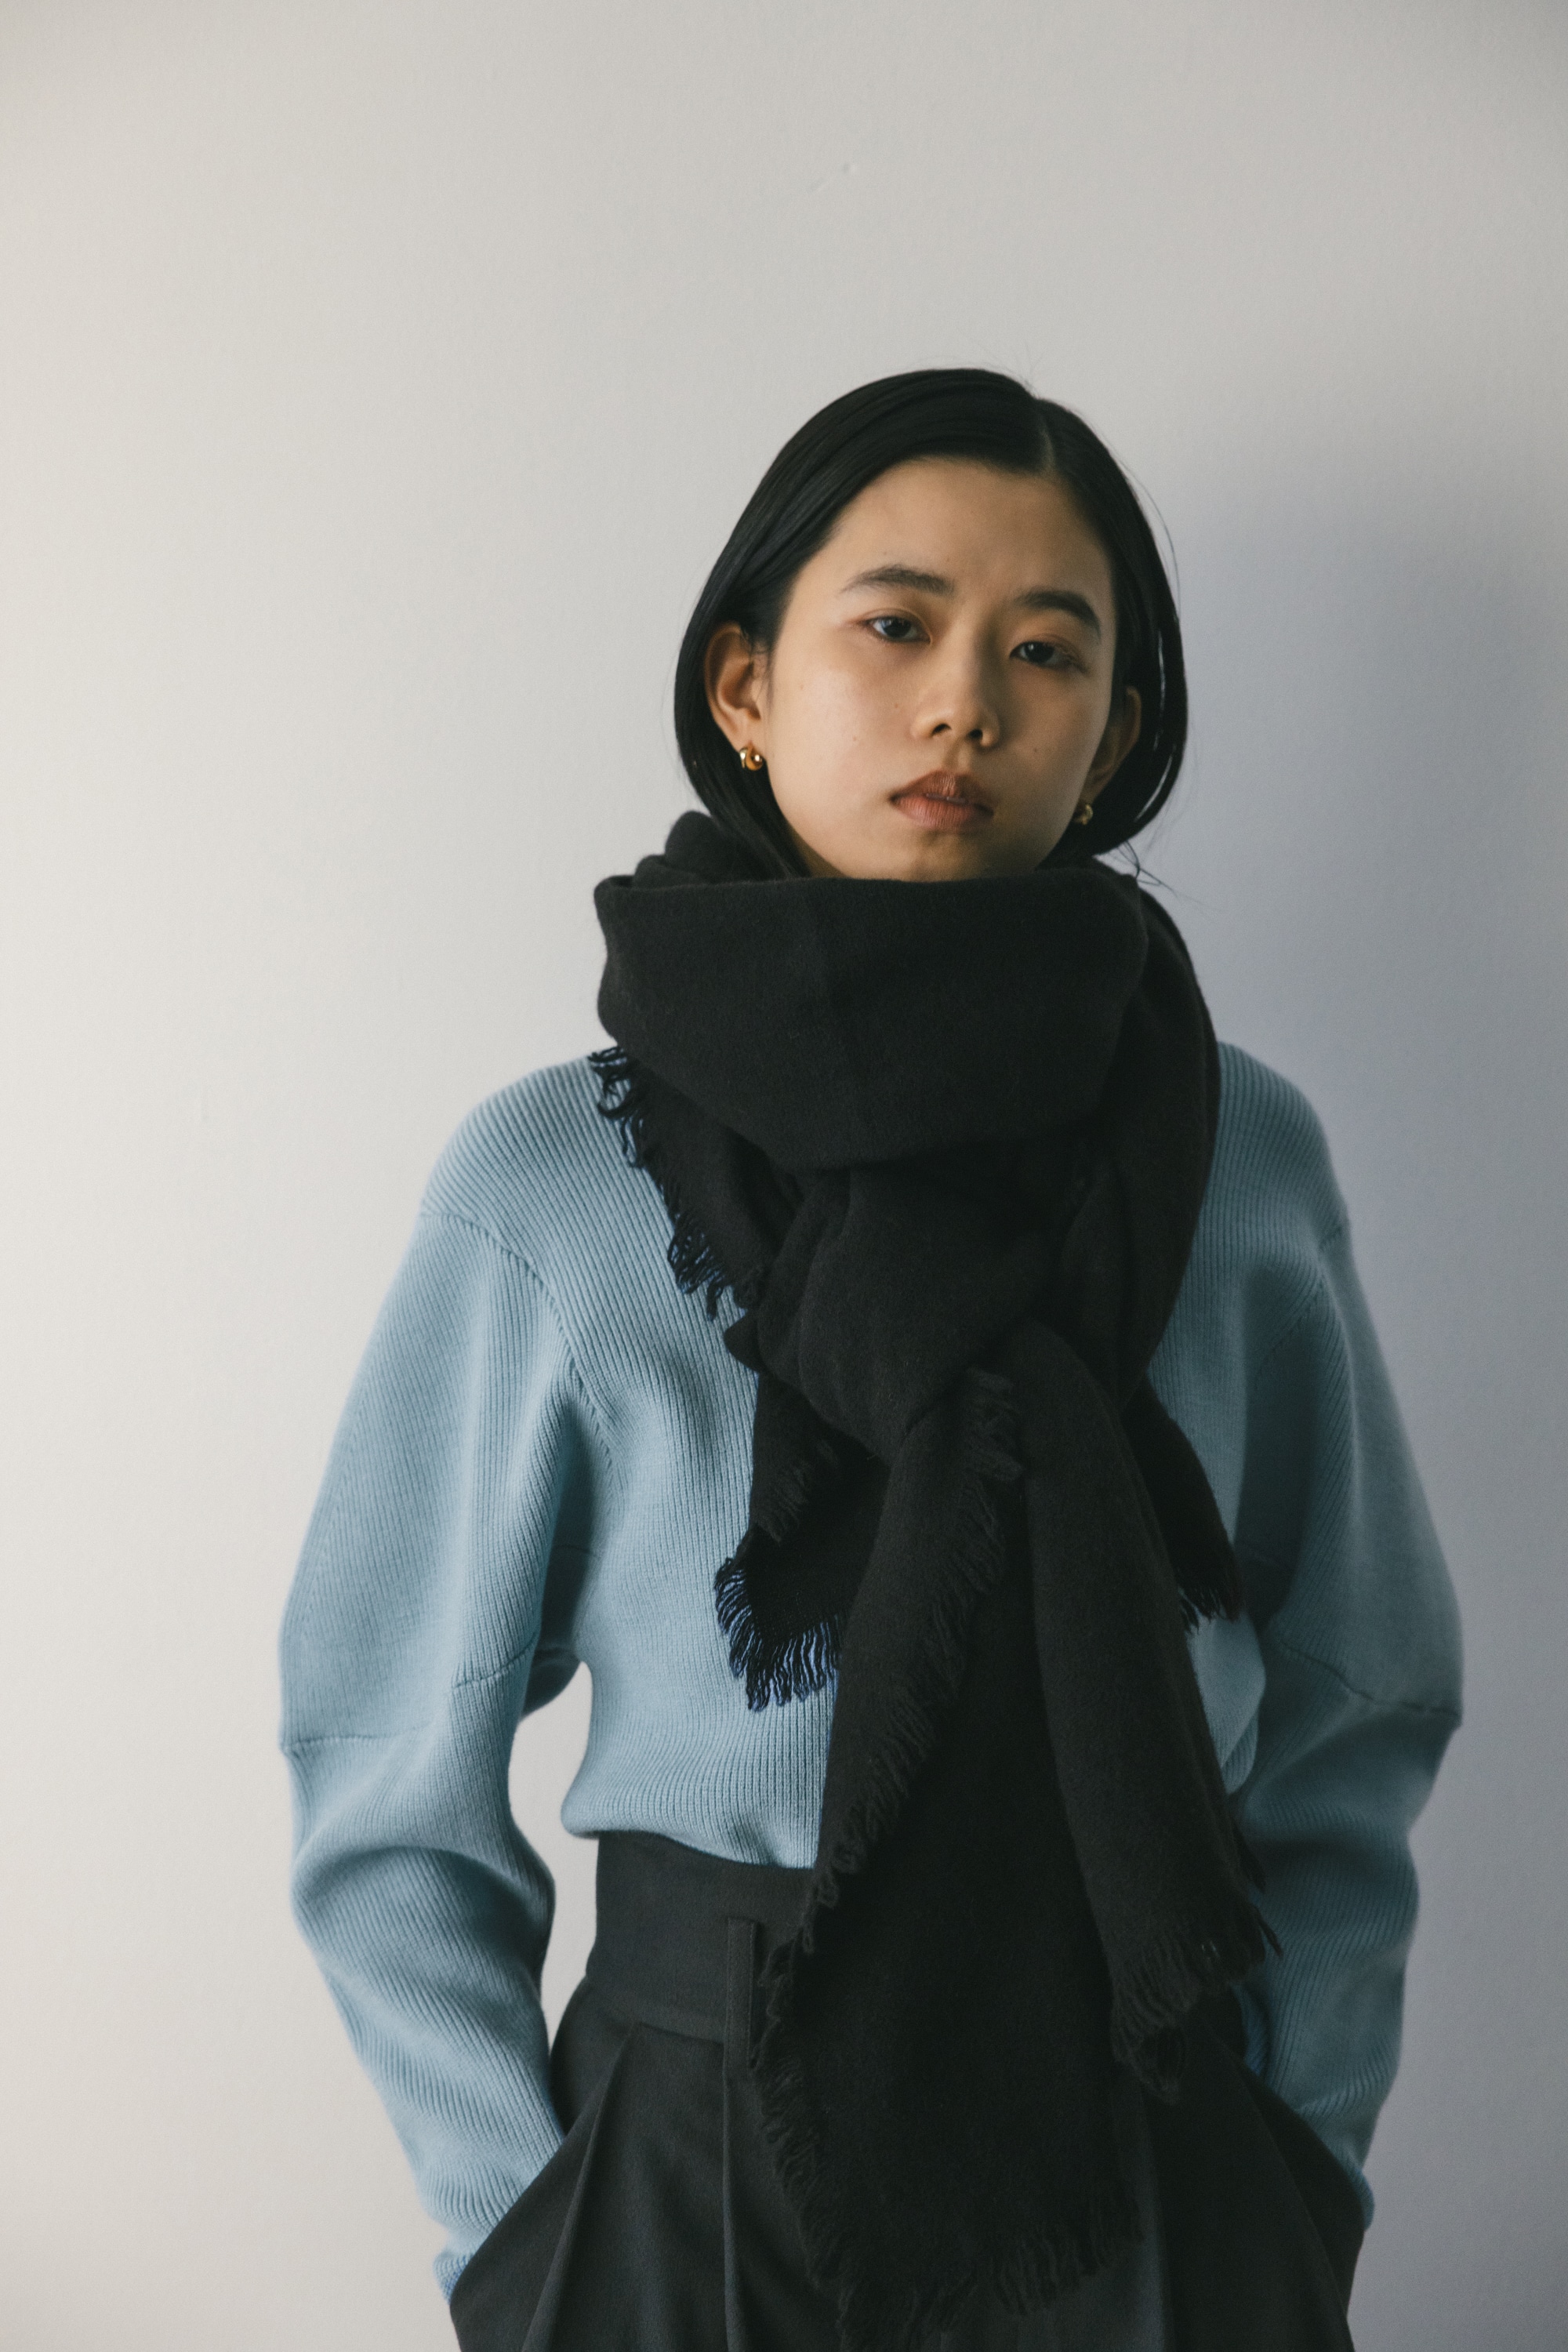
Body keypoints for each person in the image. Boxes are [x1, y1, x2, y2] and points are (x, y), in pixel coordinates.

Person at [279, 369, 1461, 2352]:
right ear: (746, 685)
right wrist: (523, 2235)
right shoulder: (553, 1182)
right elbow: (385, 1759)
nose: (963, 705)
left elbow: (1364, 1688)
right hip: (693, 2148)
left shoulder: (1236, 1157)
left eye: (1046, 651)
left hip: (1153, 2118)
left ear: (1116, 733)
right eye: (896, 625)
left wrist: (1299, 2163)